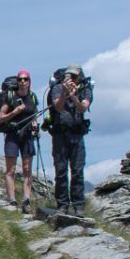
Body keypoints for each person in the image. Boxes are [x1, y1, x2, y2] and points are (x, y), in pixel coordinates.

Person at [46, 64, 92, 215]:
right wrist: (65, 92)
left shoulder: (85, 89)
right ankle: (62, 205)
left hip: (77, 135)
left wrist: (73, 95)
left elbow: (82, 108)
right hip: (60, 135)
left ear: (79, 76)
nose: (70, 78)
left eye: (73, 76)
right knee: (61, 171)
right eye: (68, 75)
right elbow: (58, 107)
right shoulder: (57, 88)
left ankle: (78, 206)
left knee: (77, 171)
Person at [0, 70, 39, 214]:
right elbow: (1, 118)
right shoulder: (10, 97)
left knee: (27, 169)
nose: (22, 82)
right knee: (11, 169)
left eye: (25, 79)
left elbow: (34, 114)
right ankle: (12, 199)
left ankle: (26, 200)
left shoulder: (32, 97)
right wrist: (15, 112)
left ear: (29, 81)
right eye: (20, 79)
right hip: (12, 135)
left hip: (27, 136)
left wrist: (35, 124)